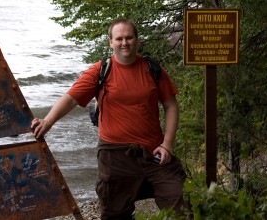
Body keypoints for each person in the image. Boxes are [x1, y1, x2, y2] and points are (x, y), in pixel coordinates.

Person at [31, 18, 187, 219]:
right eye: (119, 38)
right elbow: (71, 98)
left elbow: (171, 105)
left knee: (179, 202)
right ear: (110, 42)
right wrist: (47, 121)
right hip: (115, 157)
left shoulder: (152, 69)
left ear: (137, 40)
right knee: (115, 213)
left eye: (129, 37)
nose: (125, 43)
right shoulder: (100, 71)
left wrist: (167, 144)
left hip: (153, 153)